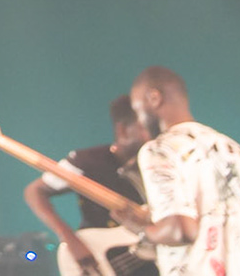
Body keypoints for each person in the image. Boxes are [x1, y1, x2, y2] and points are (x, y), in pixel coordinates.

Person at [126, 65, 240, 275]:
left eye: (138, 110)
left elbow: (181, 230)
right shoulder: (235, 150)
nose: (140, 120)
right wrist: (231, 219)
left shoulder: (159, 150)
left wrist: (143, 231)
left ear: (154, 98)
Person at [21, 96, 150, 274]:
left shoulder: (160, 163)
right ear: (123, 130)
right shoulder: (87, 162)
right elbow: (34, 191)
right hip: (95, 261)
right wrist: (69, 239)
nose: (155, 132)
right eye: (146, 126)